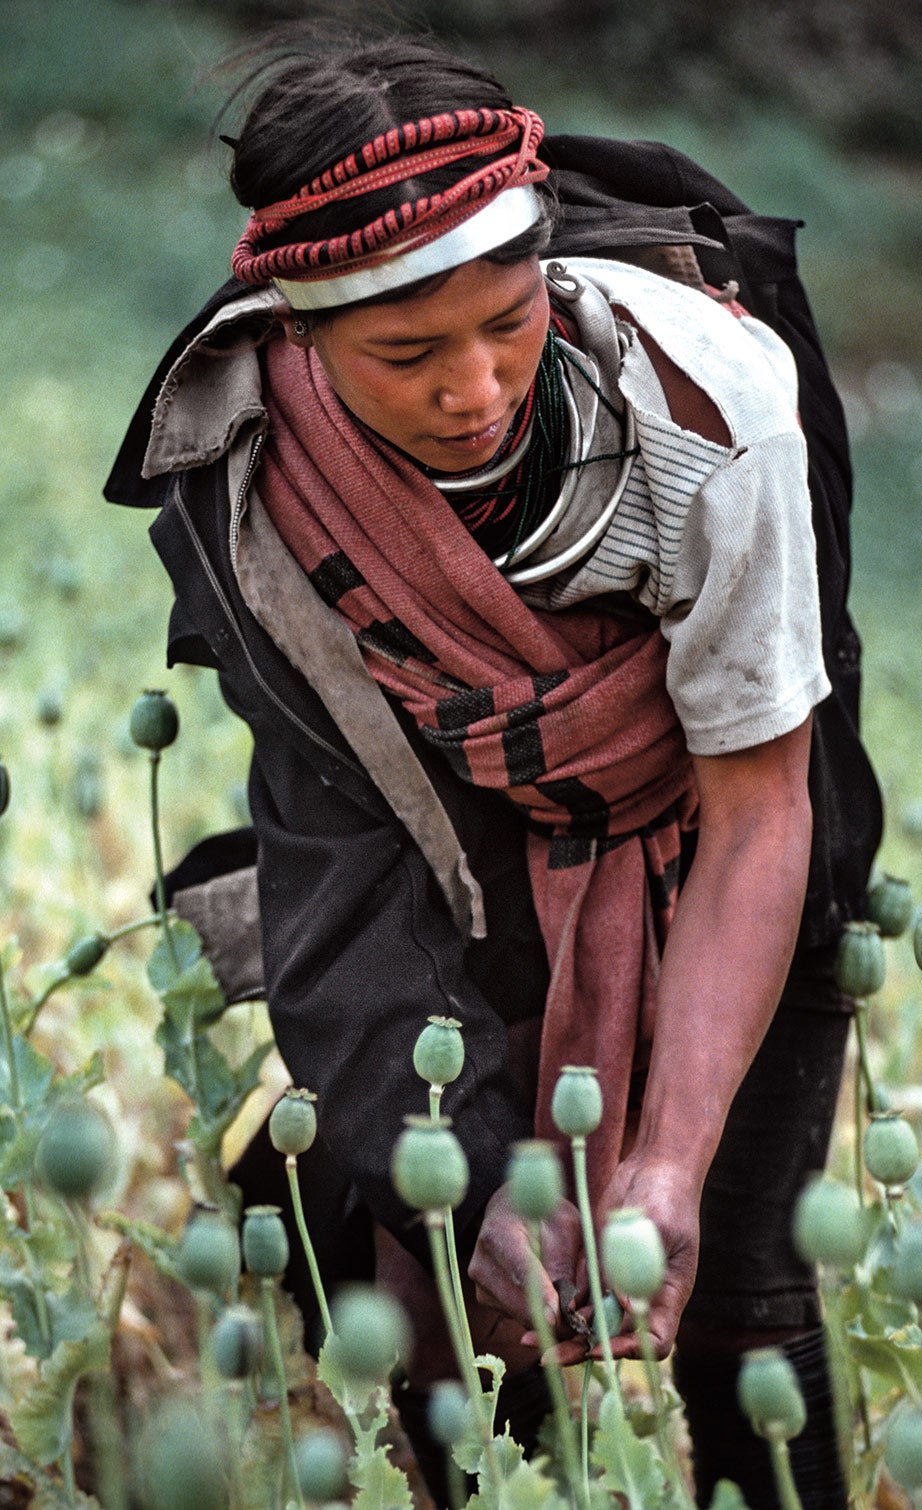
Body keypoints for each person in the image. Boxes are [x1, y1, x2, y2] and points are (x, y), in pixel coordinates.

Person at [105, 25, 882, 1507]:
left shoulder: (714, 412)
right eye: (408, 354)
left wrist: (664, 1162)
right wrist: (448, 1171)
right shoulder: (261, 480)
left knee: (746, 1291)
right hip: (443, 851)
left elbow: (763, 801)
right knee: (444, 1260)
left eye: (510, 324)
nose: (475, 386)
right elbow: (350, 853)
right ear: (302, 338)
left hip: (730, 846)